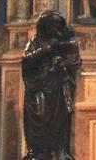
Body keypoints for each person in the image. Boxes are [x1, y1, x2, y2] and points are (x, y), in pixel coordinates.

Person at [22, 11, 81, 160]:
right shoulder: (35, 42)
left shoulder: (65, 40)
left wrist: (63, 63)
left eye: (57, 26)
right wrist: (46, 50)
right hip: (39, 87)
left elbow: (75, 62)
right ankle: (38, 152)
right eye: (52, 26)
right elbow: (26, 60)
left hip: (59, 87)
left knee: (61, 119)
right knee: (39, 116)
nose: (55, 30)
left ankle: (60, 152)